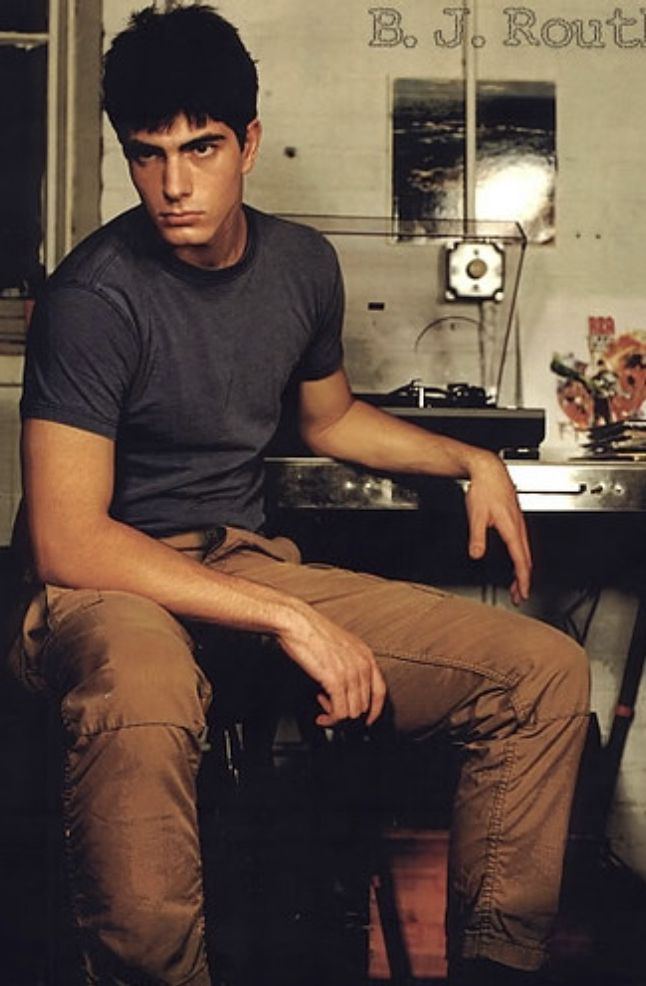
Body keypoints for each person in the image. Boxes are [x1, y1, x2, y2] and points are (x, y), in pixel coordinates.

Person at [9, 5, 589, 985]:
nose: (175, 184)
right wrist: (283, 613)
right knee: (145, 689)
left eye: (201, 147)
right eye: (148, 155)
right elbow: (70, 539)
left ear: (249, 142)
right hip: (108, 582)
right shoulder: (91, 297)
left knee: (541, 674)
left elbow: (328, 419)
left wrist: (470, 461)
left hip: (238, 561)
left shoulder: (298, 266)